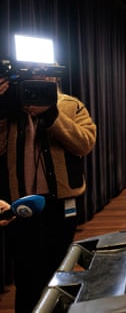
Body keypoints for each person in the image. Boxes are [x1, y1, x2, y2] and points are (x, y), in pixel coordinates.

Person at [0, 70, 97, 313]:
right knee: (26, 273)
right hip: (19, 205)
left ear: (55, 78)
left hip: (61, 203)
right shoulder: (10, 108)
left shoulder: (71, 105)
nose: (39, 80)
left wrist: (52, 114)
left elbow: (84, 143)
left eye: (46, 74)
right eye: (32, 74)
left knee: (59, 268)